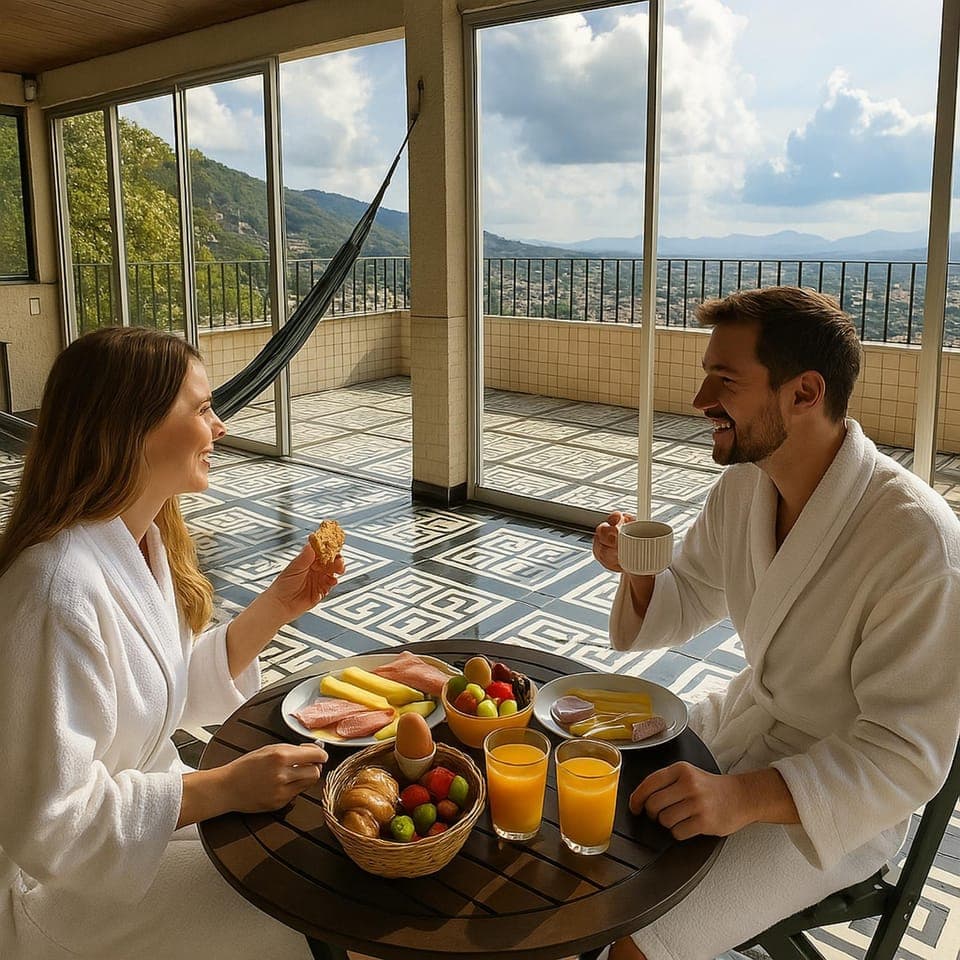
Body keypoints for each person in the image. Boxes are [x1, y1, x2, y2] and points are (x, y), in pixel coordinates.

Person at [592, 287, 960, 960]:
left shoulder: (919, 542)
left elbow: (906, 757)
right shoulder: (747, 484)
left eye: (724, 380)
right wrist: (640, 573)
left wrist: (741, 799)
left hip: (831, 803)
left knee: (636, 936)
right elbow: (688, 597)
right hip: (742, 721)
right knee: (579, 778)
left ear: (804, 392)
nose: (702, 399)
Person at [0, 326, 345, 960]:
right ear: (130, 427)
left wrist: (280, 604)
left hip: (134, 834)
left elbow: (158, 686)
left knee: (318, 843)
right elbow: (49, 825)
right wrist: (221, 789)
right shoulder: (55, 591)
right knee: (313, 906)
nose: (220, 429)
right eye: (204, 408)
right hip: (56, 890)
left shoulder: (140, 541)